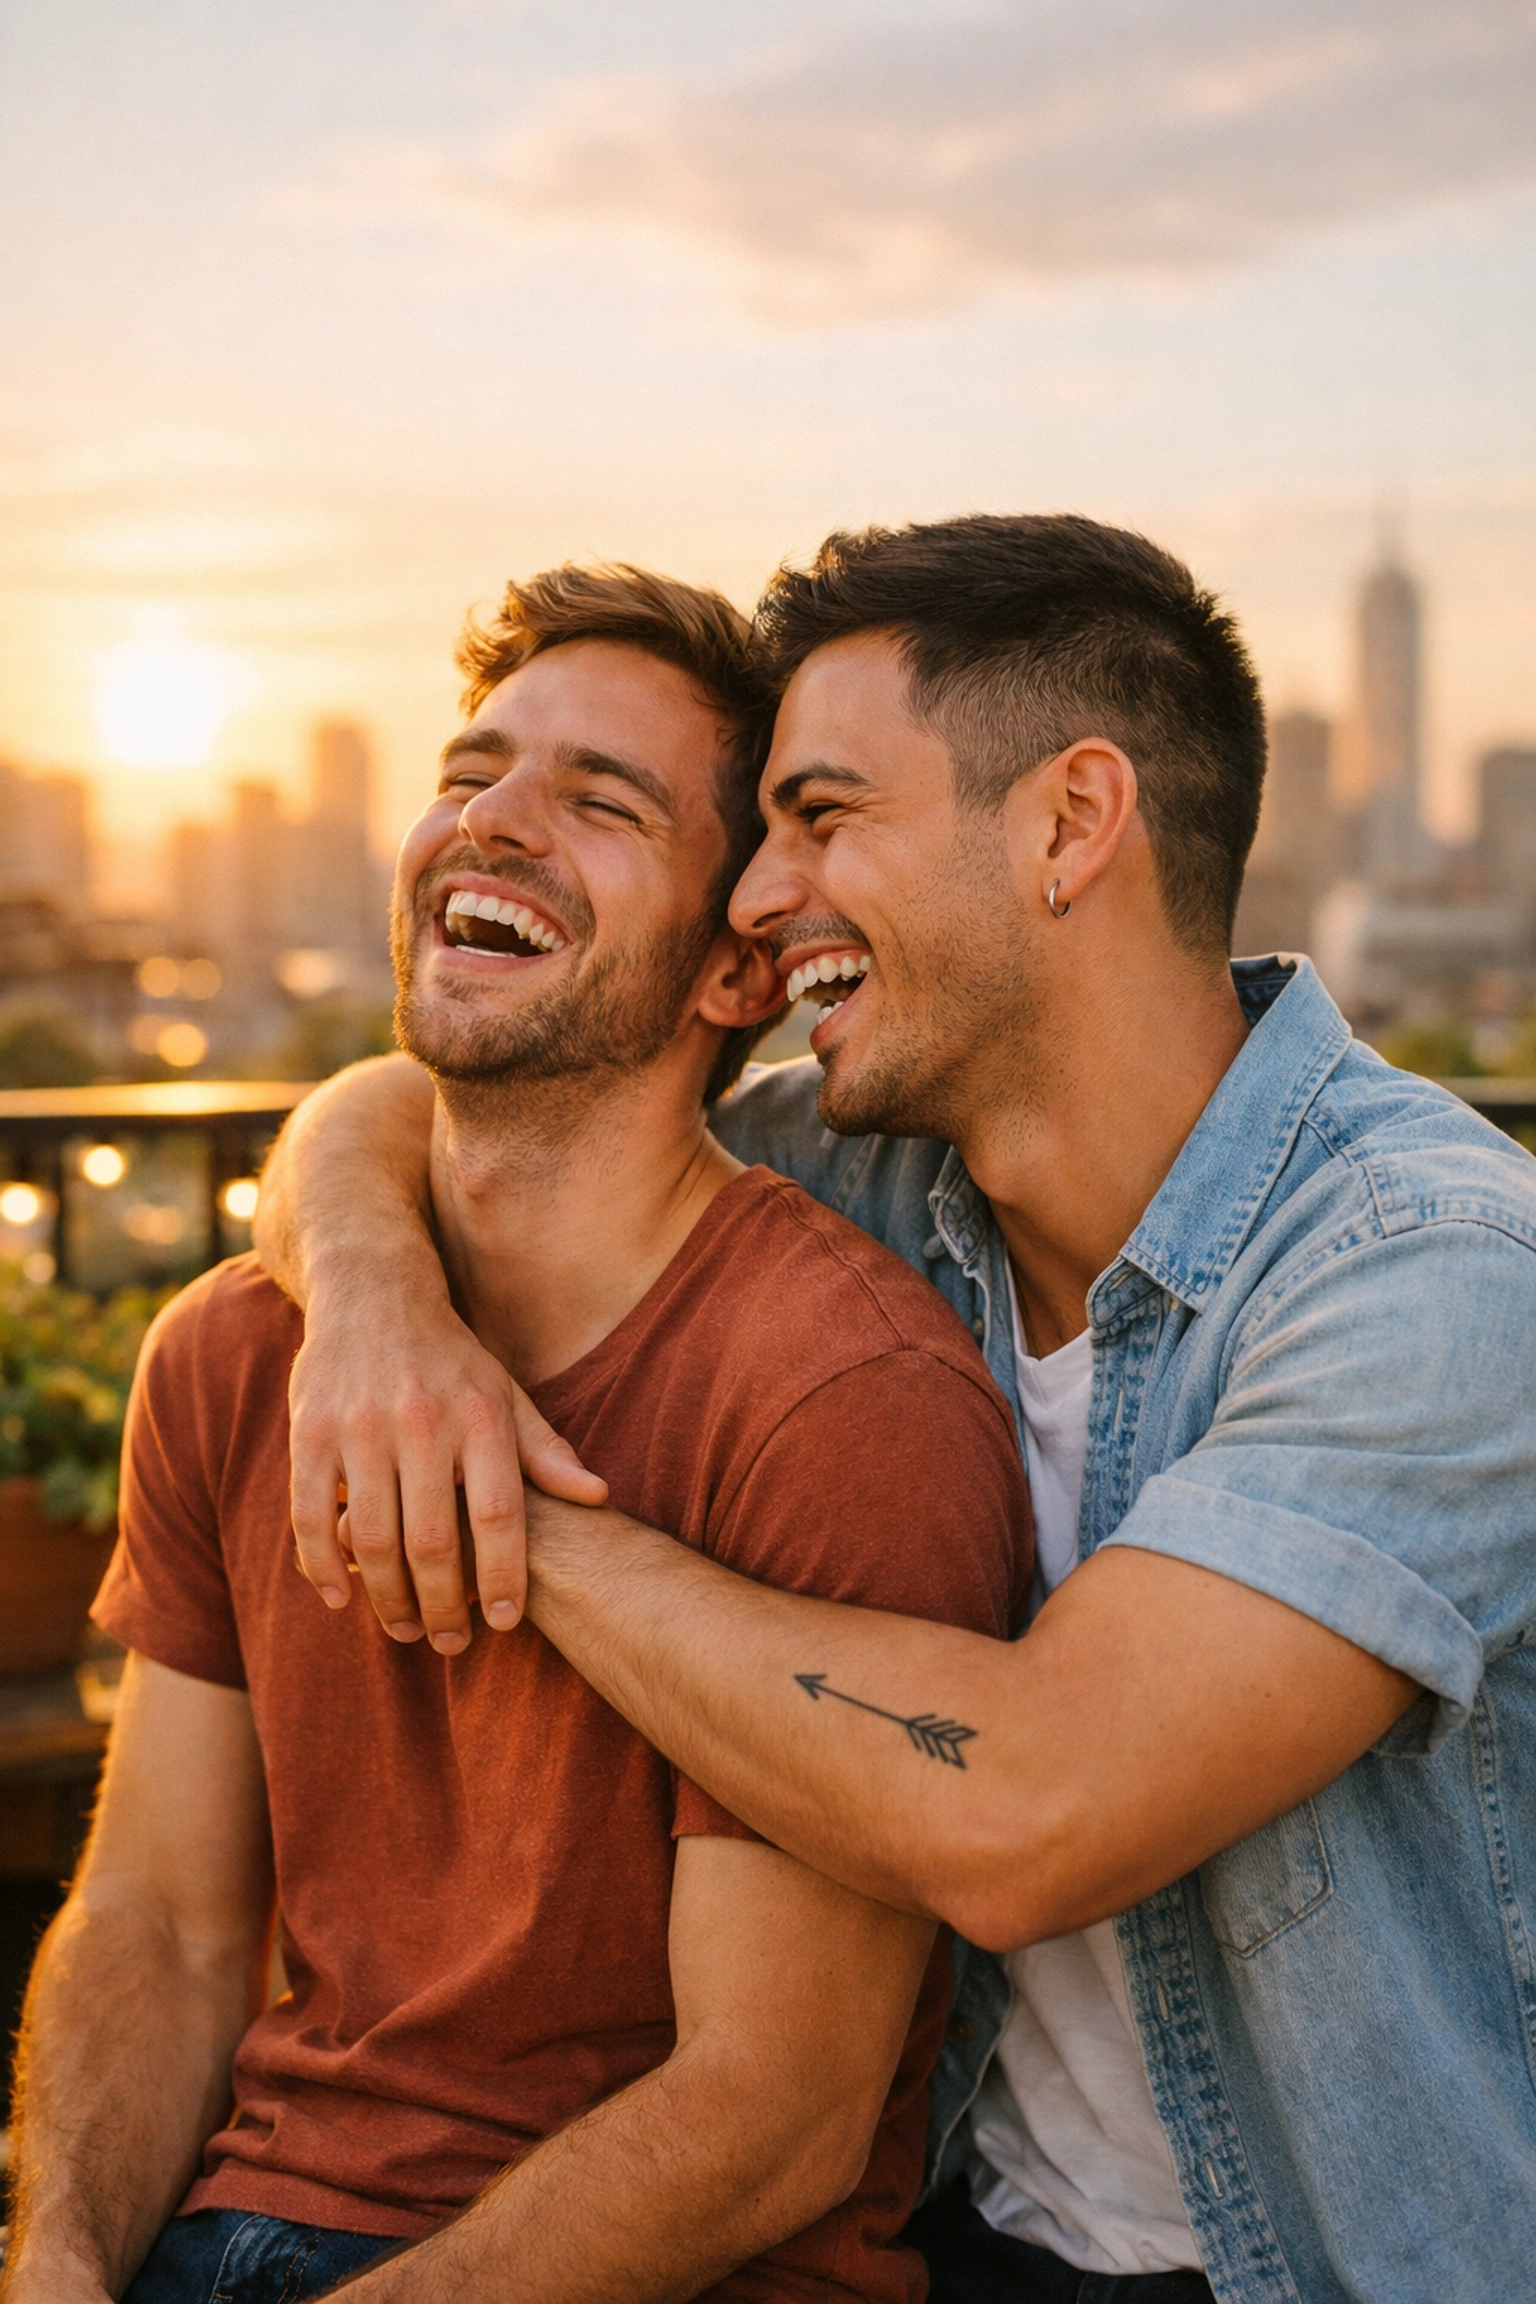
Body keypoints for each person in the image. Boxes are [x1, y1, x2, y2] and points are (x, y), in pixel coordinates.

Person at [253, 515, 1534, 2304]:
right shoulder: (872, 1166)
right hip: (957, 2238)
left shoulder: (1437, 1271)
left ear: (1073, 826)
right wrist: (379, 1309)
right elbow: (426, 1106)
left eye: (826, 818)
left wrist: (501, 1508)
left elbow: (1027, 1814)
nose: (761, 901)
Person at [0, 565, 1033, 2304]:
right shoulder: (241, 1355)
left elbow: (770, 2111)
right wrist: (56, 2265)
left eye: (600, 799)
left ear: (734, 971)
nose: (494, 825)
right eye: (470, 773)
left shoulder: (840, 1398)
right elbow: (161, 1926)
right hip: (219, 2230)